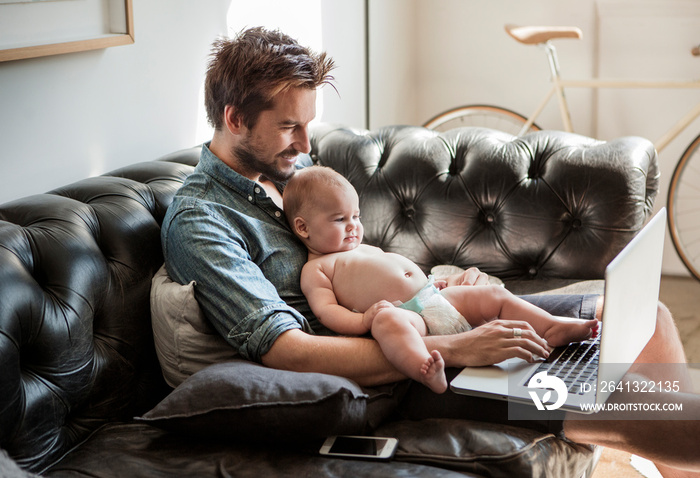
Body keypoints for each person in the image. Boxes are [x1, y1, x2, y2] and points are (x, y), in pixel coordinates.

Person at [161, 26, 700, 476]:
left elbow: (357, 259)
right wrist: (459, 348)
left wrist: (434, 287)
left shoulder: (290, 171)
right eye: (288, 127)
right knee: (643, 407)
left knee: (645, 318)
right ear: (234, 119)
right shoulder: (202, 219)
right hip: (400, 367)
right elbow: (289, 352)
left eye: (308, 124)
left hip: (424, 317)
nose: (305, 144)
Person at [282, 165, 598, 394]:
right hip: (408, 315)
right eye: (340, 219)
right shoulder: (317, 269)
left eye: (356, 216)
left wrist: (435, 286)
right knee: (387, 324)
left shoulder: (360, 247)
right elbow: (327, 312)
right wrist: (365, 319)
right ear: (303, 228)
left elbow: (401, 272)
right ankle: (424, 368)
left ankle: (551, 326)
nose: (353, 226)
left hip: (433, 298)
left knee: (494, 298)